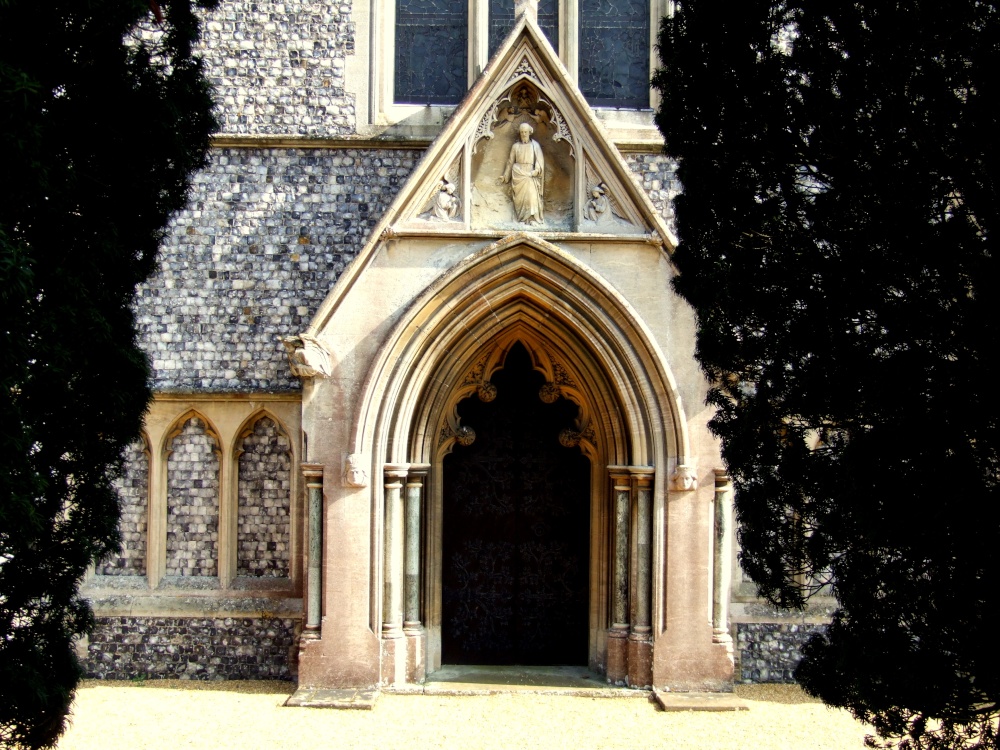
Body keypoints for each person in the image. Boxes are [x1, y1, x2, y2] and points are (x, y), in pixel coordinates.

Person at [501, 123, 544, 225]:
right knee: (520, 200)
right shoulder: (515, 146)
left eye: (525, 132)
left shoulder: (535, 145)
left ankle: (532, 219)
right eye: (522, 132)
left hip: (530, 174)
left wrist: (536, 171)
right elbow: (510, 162)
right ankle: (521, 219)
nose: (524, 134)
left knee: (532, 197)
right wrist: (505, 176)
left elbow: (539, 160)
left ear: (529, 132)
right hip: (518, 173)